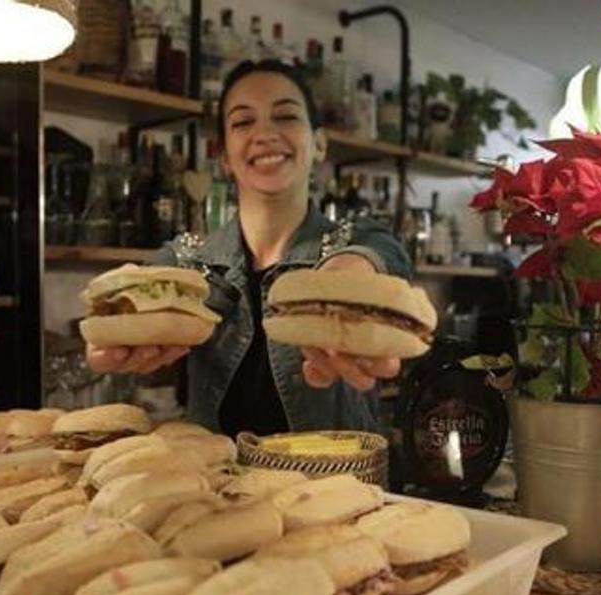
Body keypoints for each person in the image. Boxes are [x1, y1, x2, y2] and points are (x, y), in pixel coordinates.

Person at [86, 60, 413, 436]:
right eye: (243, 122)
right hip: (219, 490)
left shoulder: (355, 241)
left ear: (319, 144)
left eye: (286, 116)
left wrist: (346, 278)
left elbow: (383, 254)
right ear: (224, 155)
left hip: (339, 490)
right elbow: (137, 285)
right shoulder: (189, 260)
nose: (264, 133)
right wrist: (112, 329)